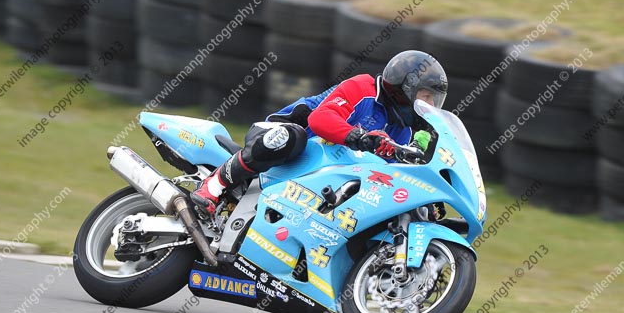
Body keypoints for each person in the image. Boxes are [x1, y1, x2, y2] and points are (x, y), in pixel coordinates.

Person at [191, 50, 449, 216]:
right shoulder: (363, 88)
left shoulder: (401, 133)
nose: (427, 107)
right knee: (293, 138)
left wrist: (424, 196)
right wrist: (359, 138)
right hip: (279, 136)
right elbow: (320, 119)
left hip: (315, 172)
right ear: (405, 87)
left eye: (433, 101)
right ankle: (213, 185)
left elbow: (390, 178)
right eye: (424, 97)